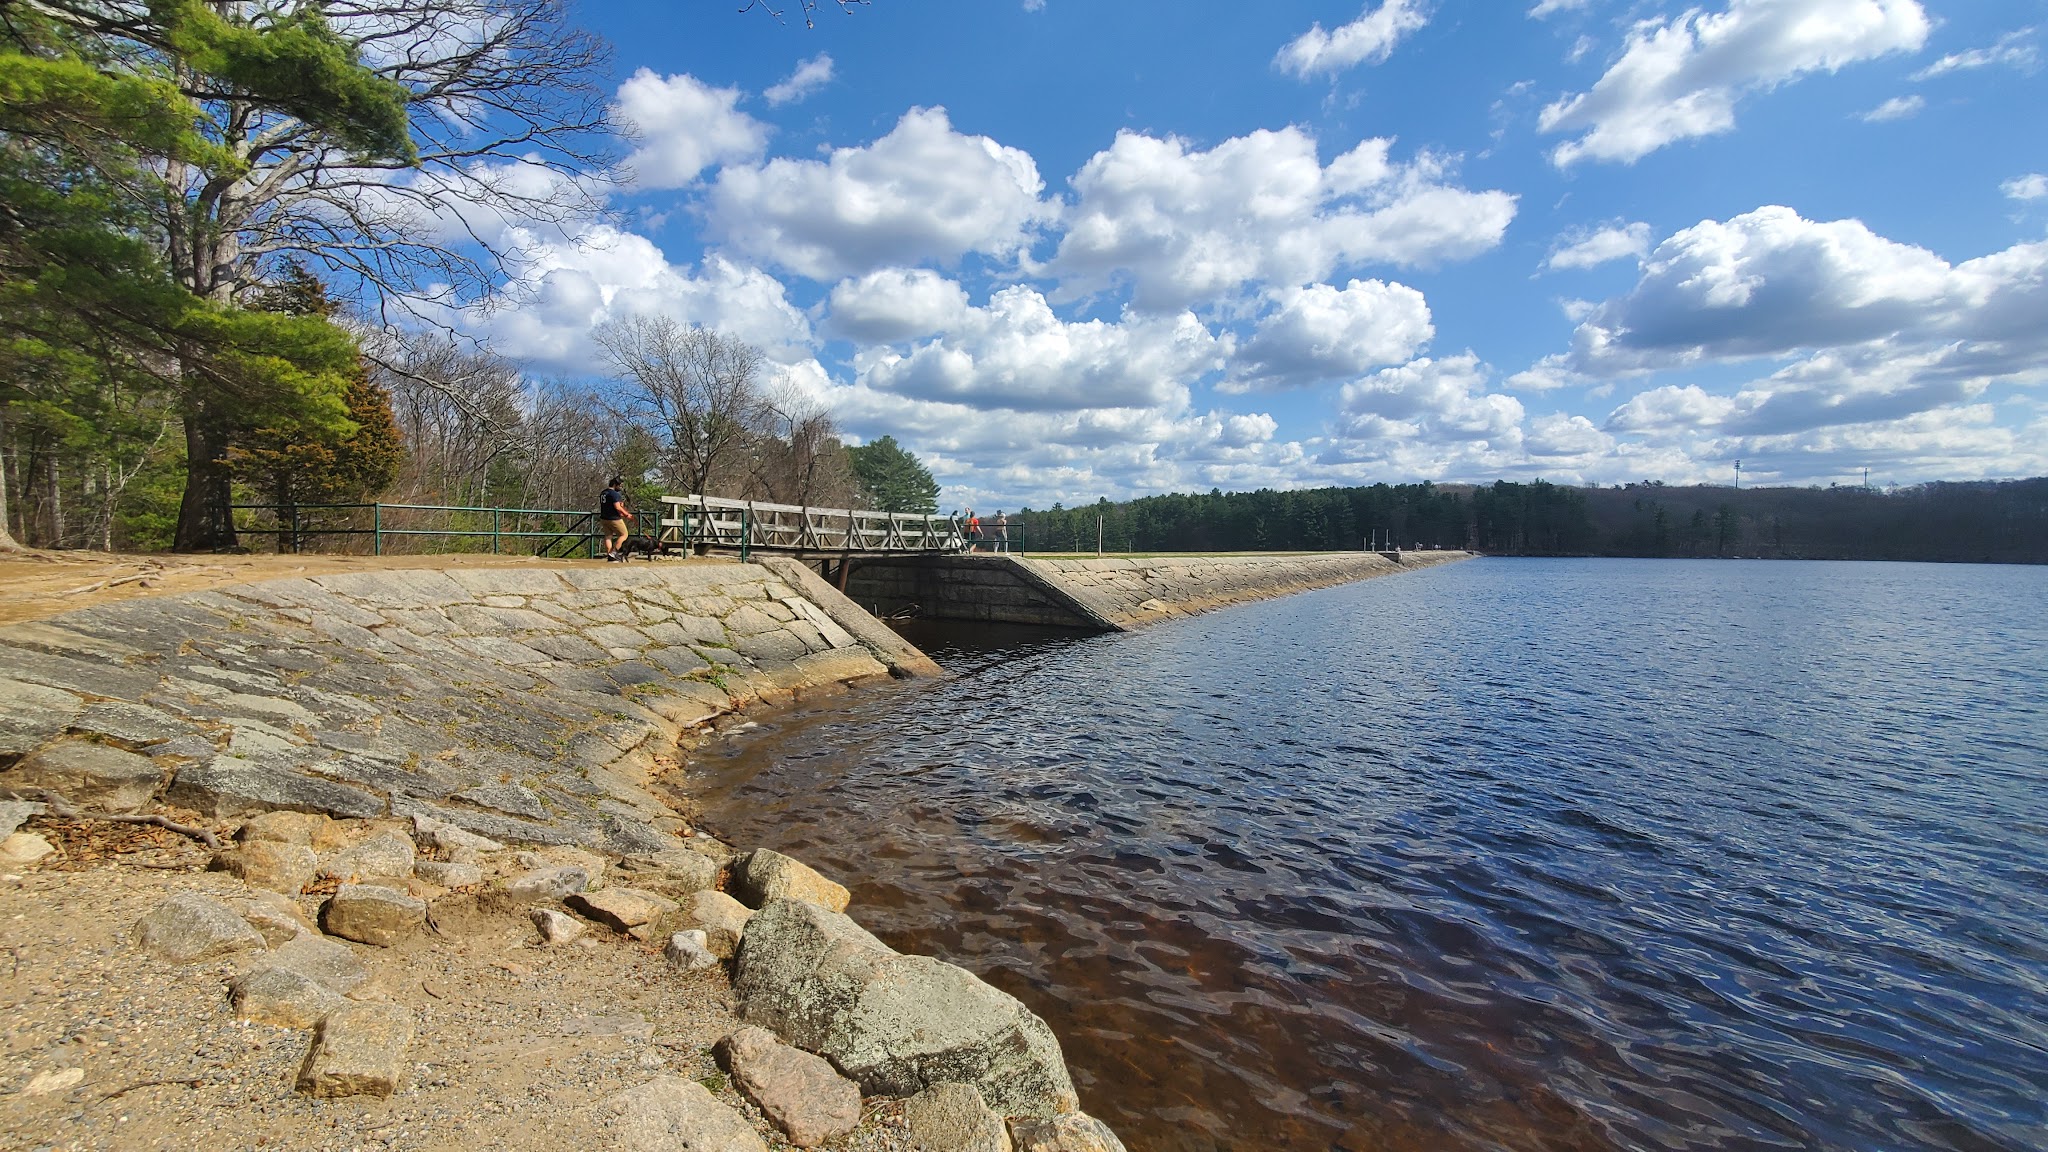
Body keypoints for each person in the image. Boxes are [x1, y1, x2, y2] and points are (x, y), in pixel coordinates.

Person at [599, 475, 634, 561]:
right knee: (624, 534)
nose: (620, 486)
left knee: (608, 536)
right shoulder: (614, 494)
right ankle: (614, 552)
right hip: (614, 518)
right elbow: (617, 507)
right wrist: (626, 514)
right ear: (615, 484)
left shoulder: (603, 493)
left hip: (604, 518)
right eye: (619, 485)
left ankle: (609, 555)